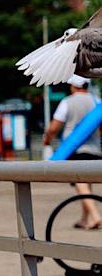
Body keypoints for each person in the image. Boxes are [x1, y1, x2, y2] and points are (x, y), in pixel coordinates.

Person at [44, 76, 102, 230]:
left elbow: (54, 126)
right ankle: (85, 219)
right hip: (95, 149)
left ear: (72, 86)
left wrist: (48, 138)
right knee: (87, 184)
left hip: (74, 149)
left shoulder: (67, 102)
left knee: (80, 182)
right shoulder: (97, 102)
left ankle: (95, 216)